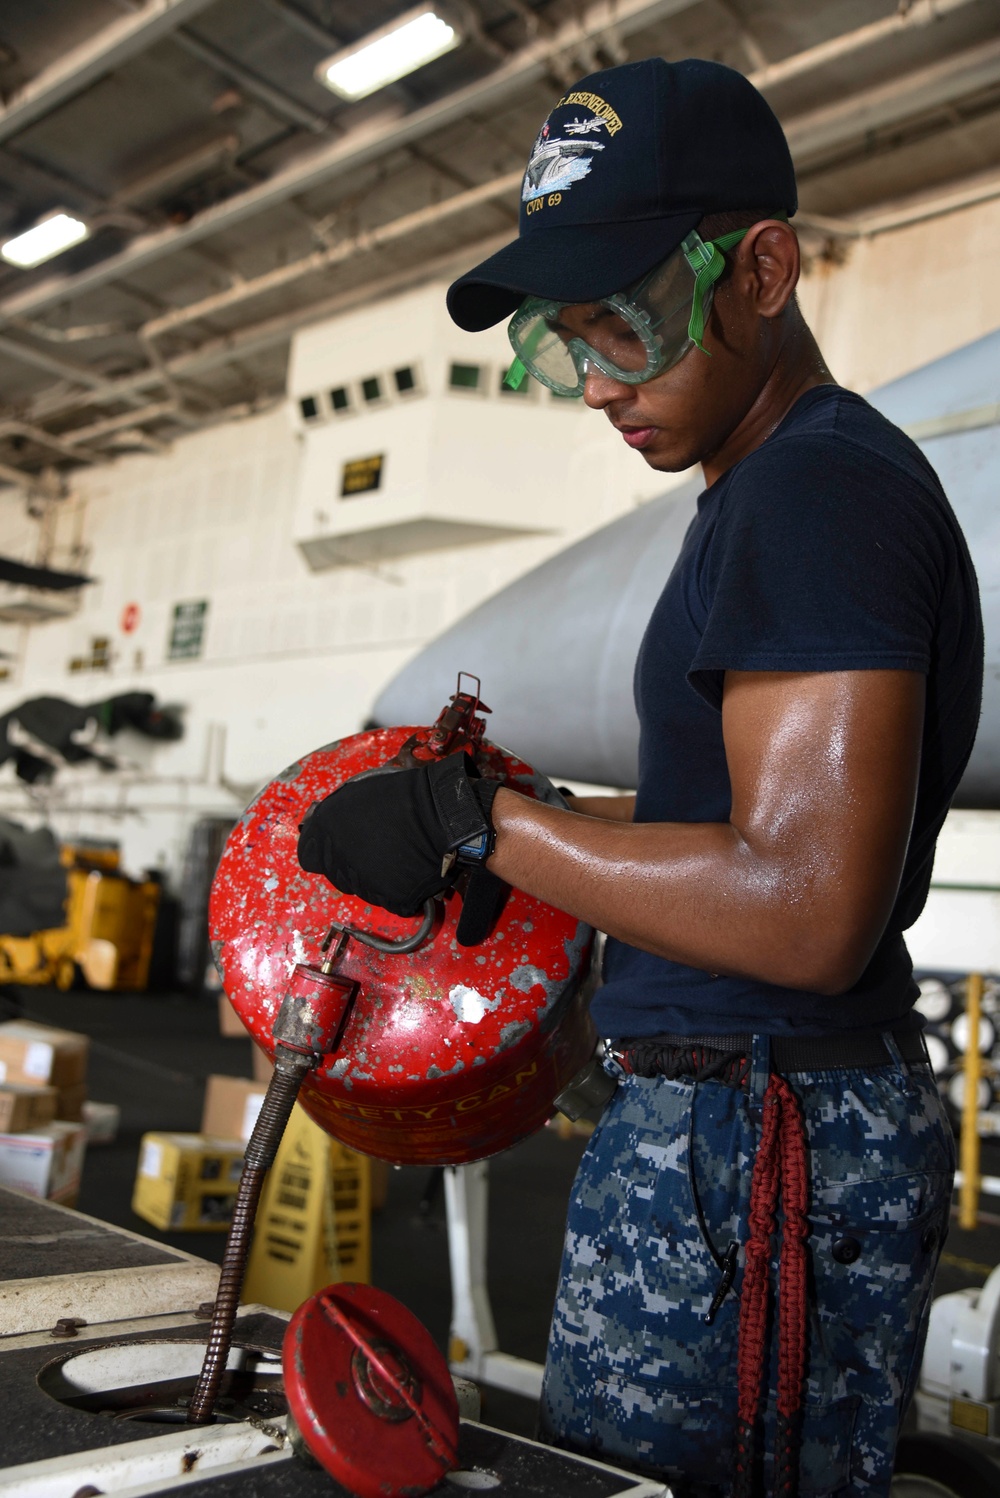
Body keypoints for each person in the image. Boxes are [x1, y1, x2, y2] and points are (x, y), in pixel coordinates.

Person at [297, 58, 983, 1498]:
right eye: (566, 342)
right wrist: (499, 842)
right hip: (726, 1132)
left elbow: (802, 907)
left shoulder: (819, 487)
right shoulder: (760, 489)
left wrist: (473, 816)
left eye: (629, 326)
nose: (600, 381)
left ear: (763, 271)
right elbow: (712, 833)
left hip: (757, 1144)